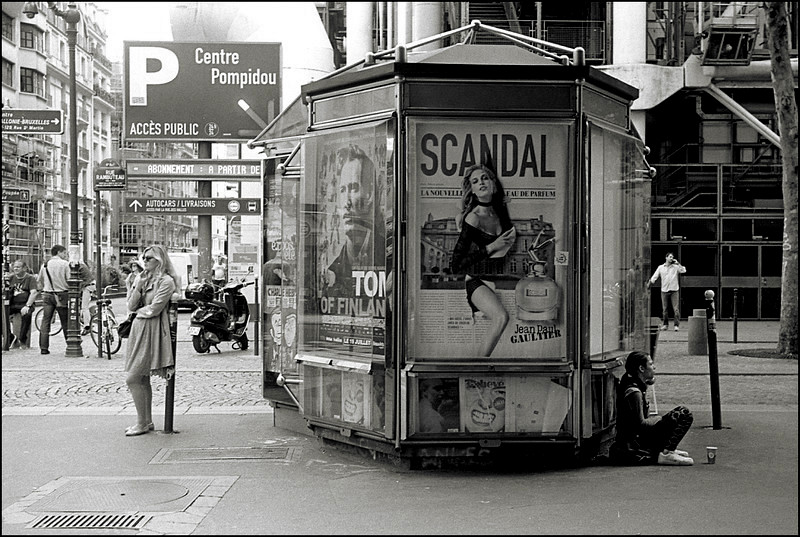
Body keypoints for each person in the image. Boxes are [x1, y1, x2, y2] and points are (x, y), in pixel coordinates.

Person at [450, 164, 516, 357]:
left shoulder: (500, 213)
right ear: (472, 189)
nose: (481, 183)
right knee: (501, 317)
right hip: (477, 281)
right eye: (475, 181)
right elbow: (456, 265)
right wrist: (491, 247)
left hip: (498, 278)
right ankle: (477, 367)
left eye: (485, 178)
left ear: (492, 183)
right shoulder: (473, 218)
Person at [123, 245, 177, 436]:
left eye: (149, 258)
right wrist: (138, 284)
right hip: (139, 329)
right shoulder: (142, 278)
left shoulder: (166, 281)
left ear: (159, 261)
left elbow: (155, 309)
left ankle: (141, 423)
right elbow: (130, 305)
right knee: (142, 377)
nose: (144, 261)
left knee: (133, 378)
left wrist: (139, 312)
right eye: (143, 258)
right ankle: (146, 421)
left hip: (153, 329)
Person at [611, 350, 694, 465]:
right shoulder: (634, 393)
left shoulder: (633, 385)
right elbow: (640, 425)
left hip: (635, 441)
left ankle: (667, 449)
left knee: (675, 416)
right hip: (634, 445)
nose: (654, 367)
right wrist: (660, 419)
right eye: (650, 364)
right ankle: (667, 453)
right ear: (641, 368)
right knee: (683, 413)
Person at [322, 144, 384, 295]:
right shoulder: (332, 272)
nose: (346, 202)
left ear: (372, 195)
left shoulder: (389, 260)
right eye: (343, 190)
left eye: (354, 188)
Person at [36, 245, 71, 355]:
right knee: (65, 321)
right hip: (62, 294)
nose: (65, 255)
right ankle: (70, 345)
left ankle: (43, 347)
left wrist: (45, 287)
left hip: (47, 294)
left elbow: (39, 280)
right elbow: (70, 279)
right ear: (59, 252)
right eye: (64, 253)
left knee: (46, 321)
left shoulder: (45, 265)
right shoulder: (65, 264)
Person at [650, 252, 686, 331]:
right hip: (664, 290)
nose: (671, 258)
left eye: (672, 257)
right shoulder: (661, 267)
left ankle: (676, 325)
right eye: (670, 257)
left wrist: (678, 263)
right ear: (666, 258)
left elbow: (683, 270)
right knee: (665, 309)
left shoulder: (675, 267)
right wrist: (650, 283)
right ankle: (665, 324)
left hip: (674, 290)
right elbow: (655, 276)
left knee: (676, 309)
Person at [7, 260, 38, 349]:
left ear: (24, 268)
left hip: (25, 304)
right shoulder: (11, 278)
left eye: (18, 267)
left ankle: (22, 340)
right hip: (13, 304)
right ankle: (10, 337)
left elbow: (33, 292)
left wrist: (28, 305)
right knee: (3, 315)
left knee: (26, 315)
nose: (15, 269)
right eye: (14, 267)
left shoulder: (30, 278)